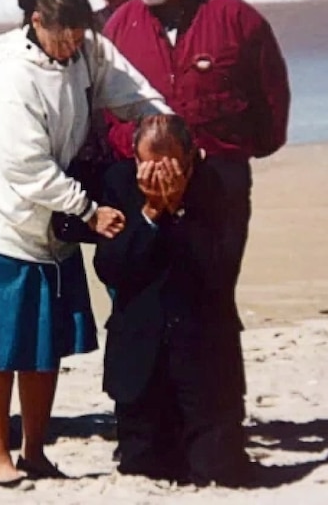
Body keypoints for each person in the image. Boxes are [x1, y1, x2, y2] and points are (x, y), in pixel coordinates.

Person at [0, 0, 170, 487]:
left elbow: (131, 91)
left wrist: (165, 126)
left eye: (80, 37)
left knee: (43, 350)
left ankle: (36, 452)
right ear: (37, 25)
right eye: (64, 38)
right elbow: (28, 168)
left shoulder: (86, 49)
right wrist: (89, 211)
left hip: (51, 230)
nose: (73, 47)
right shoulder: (9, 80)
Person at [103, 0, 290, 400]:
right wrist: (142, 160)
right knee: (147, 299)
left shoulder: (236, 19)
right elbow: (102, 114)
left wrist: (225, 157)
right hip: (141, 182)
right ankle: (155, 426)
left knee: (212, 301)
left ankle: (217, 427)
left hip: (217, 187)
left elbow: (271, 110)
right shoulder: (123, 25)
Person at [93, 114, 252, 486]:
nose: (160, 172)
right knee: (144, 468)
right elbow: (111, 268)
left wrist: (178, 209)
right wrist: (150, 212)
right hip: (141, 354)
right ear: (135, 159)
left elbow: (220, 269)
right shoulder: (118, 184)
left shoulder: (218, 184)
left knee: (217, 471)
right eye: (149, 163)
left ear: (191, 157)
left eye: (170, 163)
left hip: (204, 355)